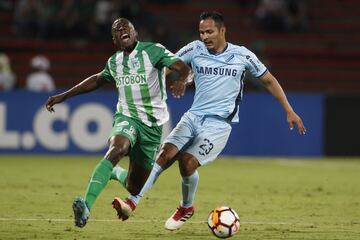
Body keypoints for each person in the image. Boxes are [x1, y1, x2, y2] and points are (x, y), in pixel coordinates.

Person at [111, 11, 306, 230]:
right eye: (202, 32)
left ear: (223, 31)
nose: (204, 36)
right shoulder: (195, 48)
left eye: (209, 31)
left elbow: (269, 80)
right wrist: (176, 79)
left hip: (219, 125)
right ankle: (132, 202)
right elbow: (166, 65)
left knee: (186, 163)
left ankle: (186, 207)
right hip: (193, 116)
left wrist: (289, 110)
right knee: (165, 155)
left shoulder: (242, 55)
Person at [45, 17, 191, 228]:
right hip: (127, 117)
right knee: (118, 147)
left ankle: (114, 173)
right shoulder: (114, 62)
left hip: (152, 127)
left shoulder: (154, 51)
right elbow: (96, 80)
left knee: (134, 187)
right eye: (117, 29)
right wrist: (63, 96)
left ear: (135, 33)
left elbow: (184, 68)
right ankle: (85, 206)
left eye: (127, 27)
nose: (122, 29)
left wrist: (182, 81)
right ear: (115, 40)